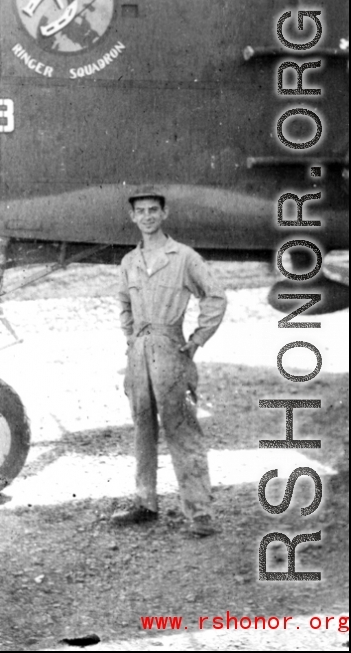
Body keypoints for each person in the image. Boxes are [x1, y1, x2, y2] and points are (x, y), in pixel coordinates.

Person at [112, 186, 227, 536]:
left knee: (181, 430)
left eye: (153, 210)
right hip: (139, 355)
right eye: (140, 211)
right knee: (142, 429)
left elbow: (216, 297)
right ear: (133, 217)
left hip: (170, 350)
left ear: (164, 214)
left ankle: (200, 513)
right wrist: (132, 340)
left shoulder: (183, 257)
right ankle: (145, 502)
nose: (147, 216)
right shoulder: (129, 262)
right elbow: (124, 307)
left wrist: (195, 342)